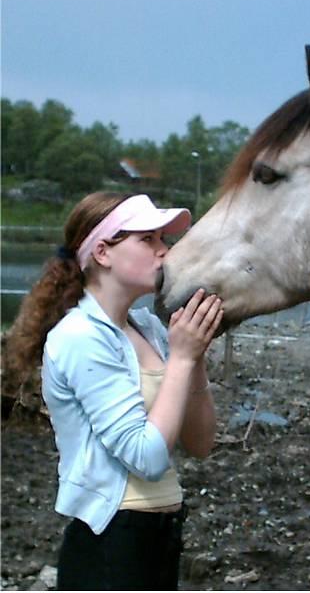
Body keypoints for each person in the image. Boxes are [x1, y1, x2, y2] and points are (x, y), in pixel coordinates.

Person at [6, 191, 223, 591]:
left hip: (161, 535)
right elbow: (146, 458)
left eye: (164, 239)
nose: (165, 252)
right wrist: (180, 360)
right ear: (103, 252)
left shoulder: (150, 328)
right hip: (112, 542)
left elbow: (201, 442)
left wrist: (193, 359)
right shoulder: (79, 336)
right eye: (149, 240)